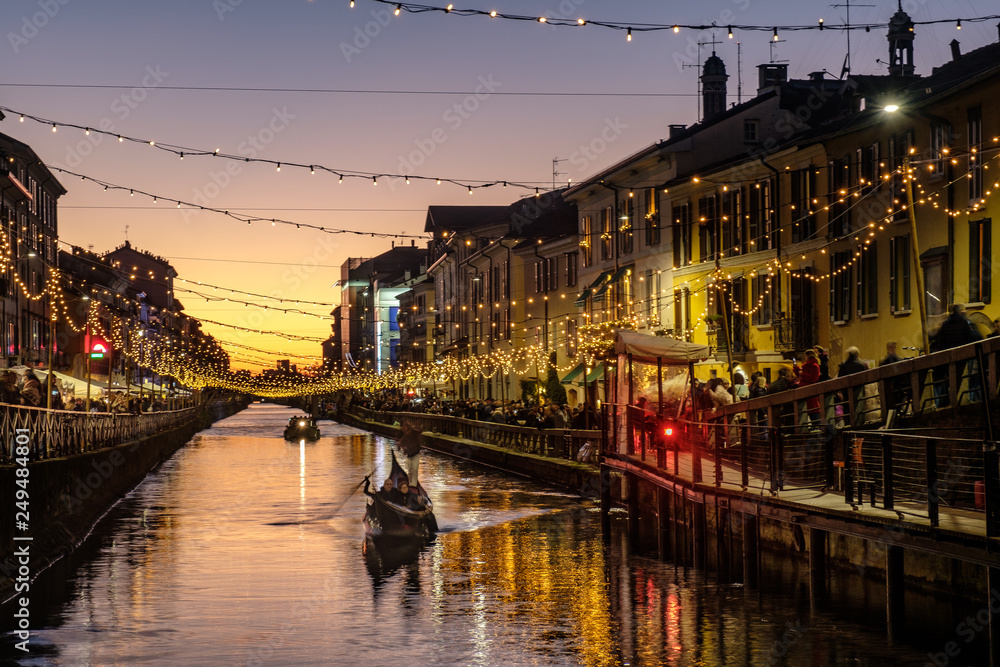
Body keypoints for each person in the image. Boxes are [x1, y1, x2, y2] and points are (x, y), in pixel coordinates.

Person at [930, 304, 983, 406]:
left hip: (949, 358)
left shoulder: (945, 325)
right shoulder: (964, 322)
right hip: (963, 356)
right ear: (959, 311)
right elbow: (971, 338)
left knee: (951, 380)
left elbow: (941, 342)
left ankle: (952, 400)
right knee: (964, 377)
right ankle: (963, 400)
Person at [396, 420, 422, 489]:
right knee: (410, 470)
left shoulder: (412, 431)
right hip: (408, 454)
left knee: (415, 469)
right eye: (403, 426)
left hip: (416, 453)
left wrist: (412, 428)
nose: (404, 427)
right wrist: (400, 446)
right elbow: (398, 442)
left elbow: (420, 431)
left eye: (406, 426)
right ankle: (411, 484)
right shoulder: (401, 433)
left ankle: (414, 485)